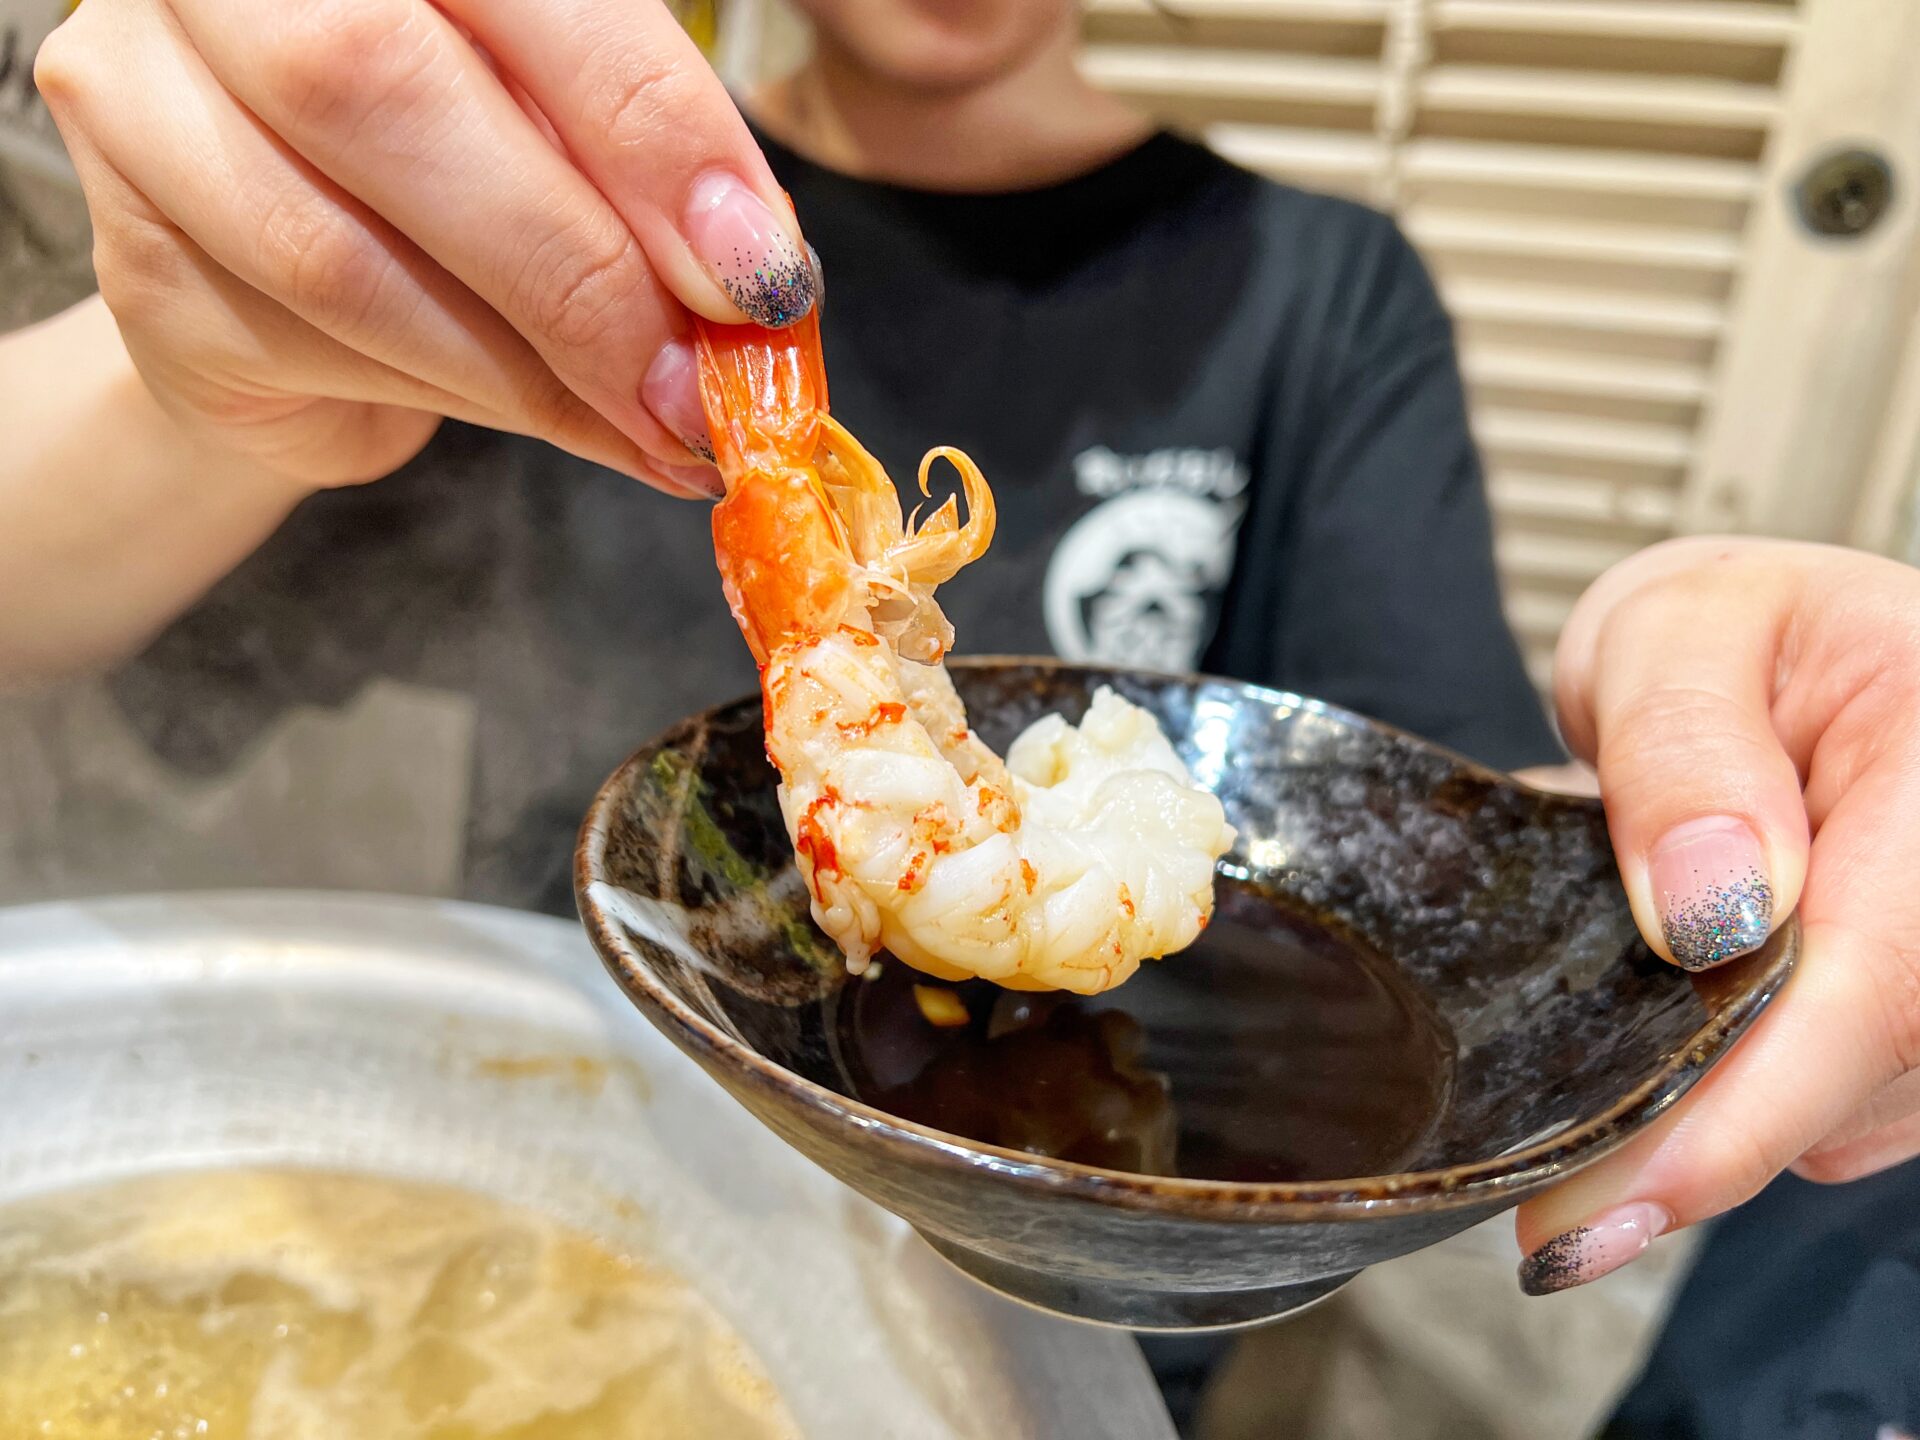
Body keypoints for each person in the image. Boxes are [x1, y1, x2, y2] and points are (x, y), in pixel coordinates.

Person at [2, 0, 1917, 1430]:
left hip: (1066, 1341)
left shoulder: (1317, 296)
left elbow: (1437, 856)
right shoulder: (496, 228)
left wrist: (1747, 770)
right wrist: (189, 372)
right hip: (547, 1186)